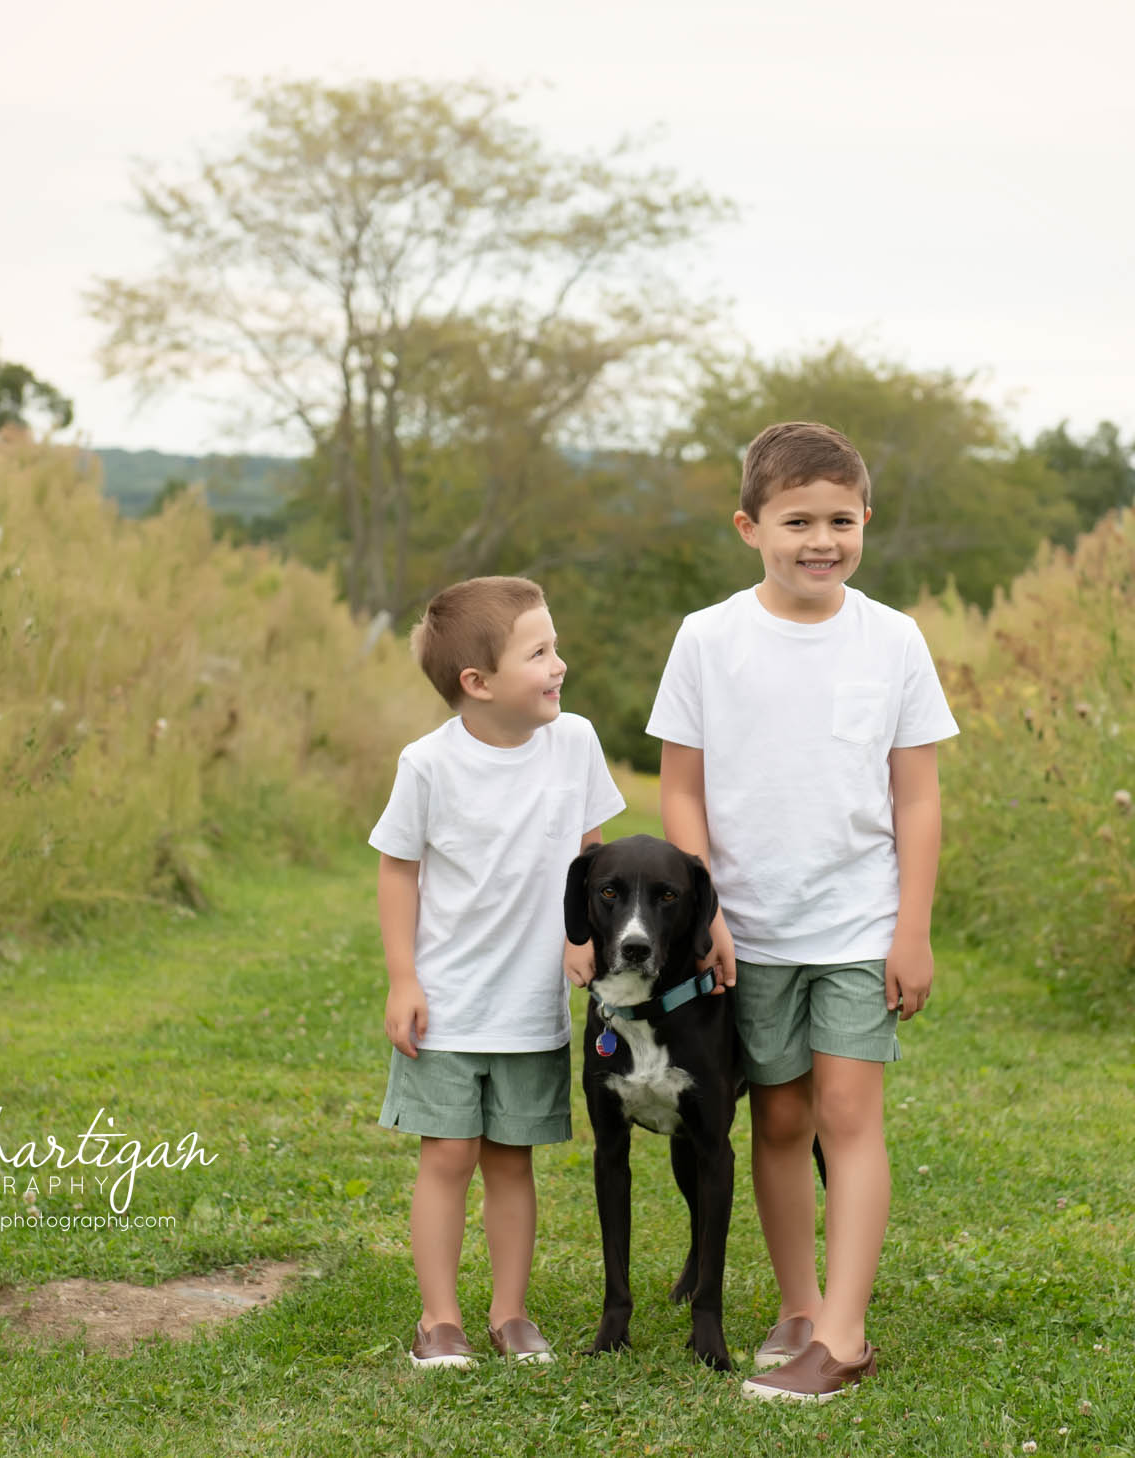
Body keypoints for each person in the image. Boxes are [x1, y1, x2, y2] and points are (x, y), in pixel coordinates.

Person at [646, 420, 959, 1400]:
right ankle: (798, 1307)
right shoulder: (707, 638)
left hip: (859, 923)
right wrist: (705, 915)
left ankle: (844, 1337)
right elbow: (681, 789)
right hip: (748, 931)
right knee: (779, 1118)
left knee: (846, 1114)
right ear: (749, 527)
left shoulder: (892, 638)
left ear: (864, 519)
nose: (820, 540)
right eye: (797, 521)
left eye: (839, 520)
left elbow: (917, 798)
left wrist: (911, 929)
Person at [370, 575, 625, 1368]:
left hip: (529, 1006)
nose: (559, 665)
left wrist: (582, 936)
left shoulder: (575, 742)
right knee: (448, 1157)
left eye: (555, 647)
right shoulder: (428, 764)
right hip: (448, 1004)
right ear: (477, 683)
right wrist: (403, 978)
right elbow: (398, 870)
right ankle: (439, 1320)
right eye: (539, 653)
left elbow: (590, 855)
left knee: (512, 1161)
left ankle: (509, 1315)